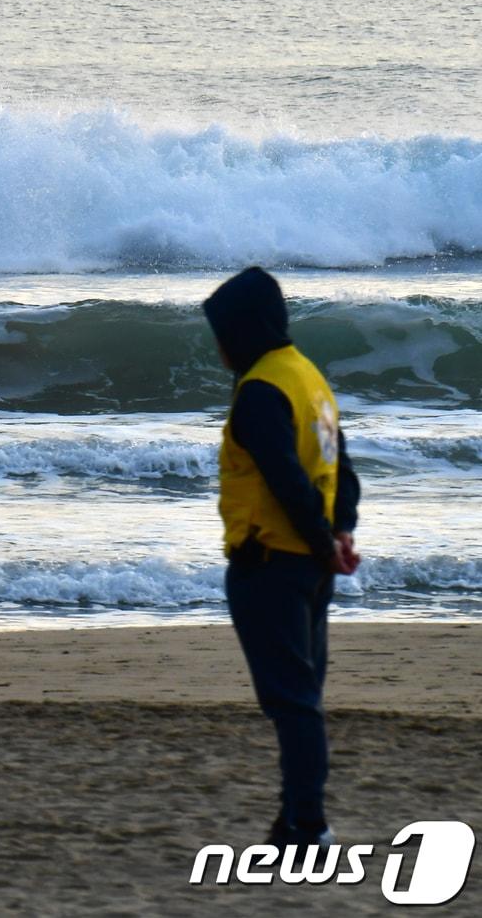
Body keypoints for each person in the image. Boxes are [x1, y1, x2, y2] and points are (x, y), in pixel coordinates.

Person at [202, 267, 361, 849]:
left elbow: (289, 482)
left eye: (221, 334)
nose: (218, 348)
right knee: (301, 696)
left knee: (293, 702)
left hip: (269, 564)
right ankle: (291, 818)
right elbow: (341, 470)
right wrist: (340, 534)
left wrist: (326, 542)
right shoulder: (308, 380)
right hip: (310, 568)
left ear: (244, 330)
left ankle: (310, 826)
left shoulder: (261, 391)